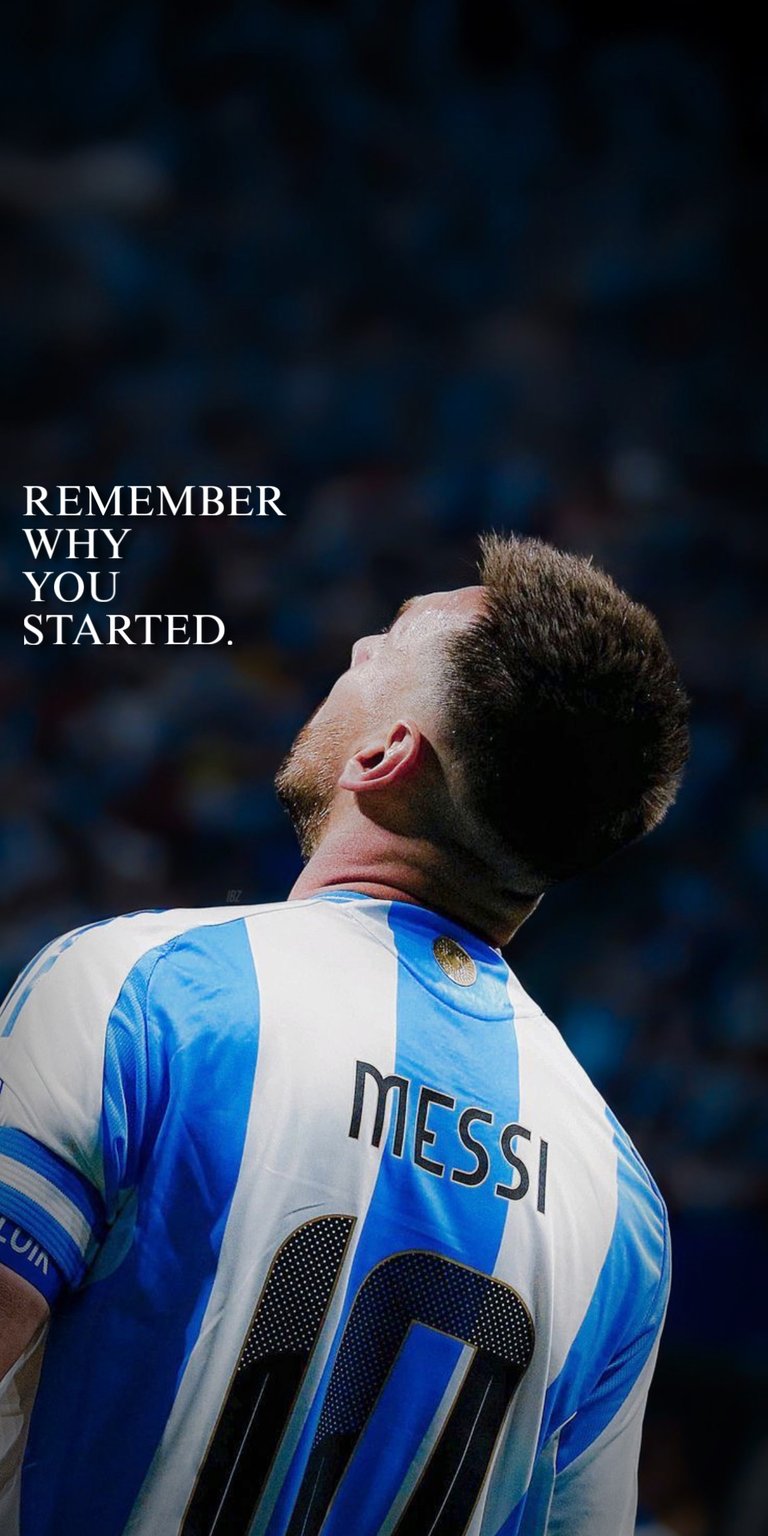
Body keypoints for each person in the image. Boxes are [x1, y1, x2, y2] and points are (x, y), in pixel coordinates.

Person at [0, 533, 689, 1536]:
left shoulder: (140, 995)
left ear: (383, 756)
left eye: (381, 645)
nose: (354, 648)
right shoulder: (622, 1209)